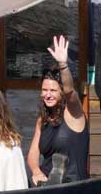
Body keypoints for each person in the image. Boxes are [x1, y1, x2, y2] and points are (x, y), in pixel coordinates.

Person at [27, 35, 89, 185]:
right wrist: (36, 171)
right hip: (49, 186)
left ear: (61, 92)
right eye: (44, 90)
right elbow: (33, 153)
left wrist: (63, 64)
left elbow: (69, 91)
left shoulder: (74, 113)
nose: (47, 95)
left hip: (74, 186)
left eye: (53, 90)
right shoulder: (43, 119)